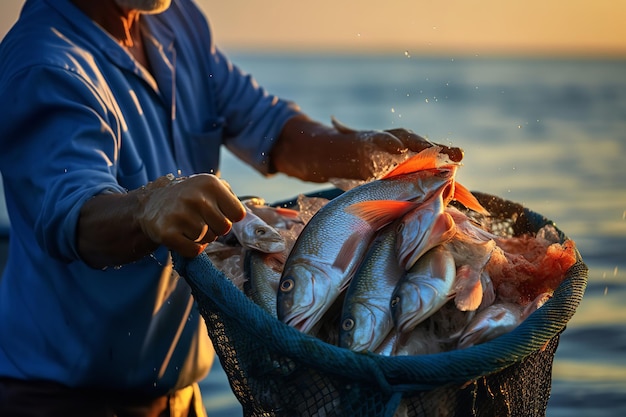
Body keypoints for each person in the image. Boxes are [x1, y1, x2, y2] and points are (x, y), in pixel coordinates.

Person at [0, 0, 462, 415]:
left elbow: (270, 130)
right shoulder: (43, 64)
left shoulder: (176, 20)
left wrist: (359, 150)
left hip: (181, 395)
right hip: (60, 398)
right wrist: (146, 208)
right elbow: (77, 219)